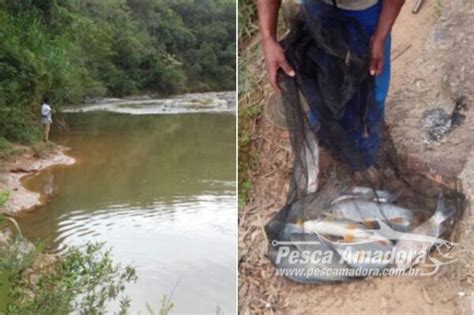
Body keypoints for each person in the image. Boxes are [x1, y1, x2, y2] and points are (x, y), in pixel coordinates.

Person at [257, 0, 405, 183]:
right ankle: (327, 144)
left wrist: (380, 36)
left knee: (371, 93)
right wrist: (268, 37)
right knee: (320, 86)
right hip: (317, 5)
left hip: (364, 9)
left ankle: (364, 161)